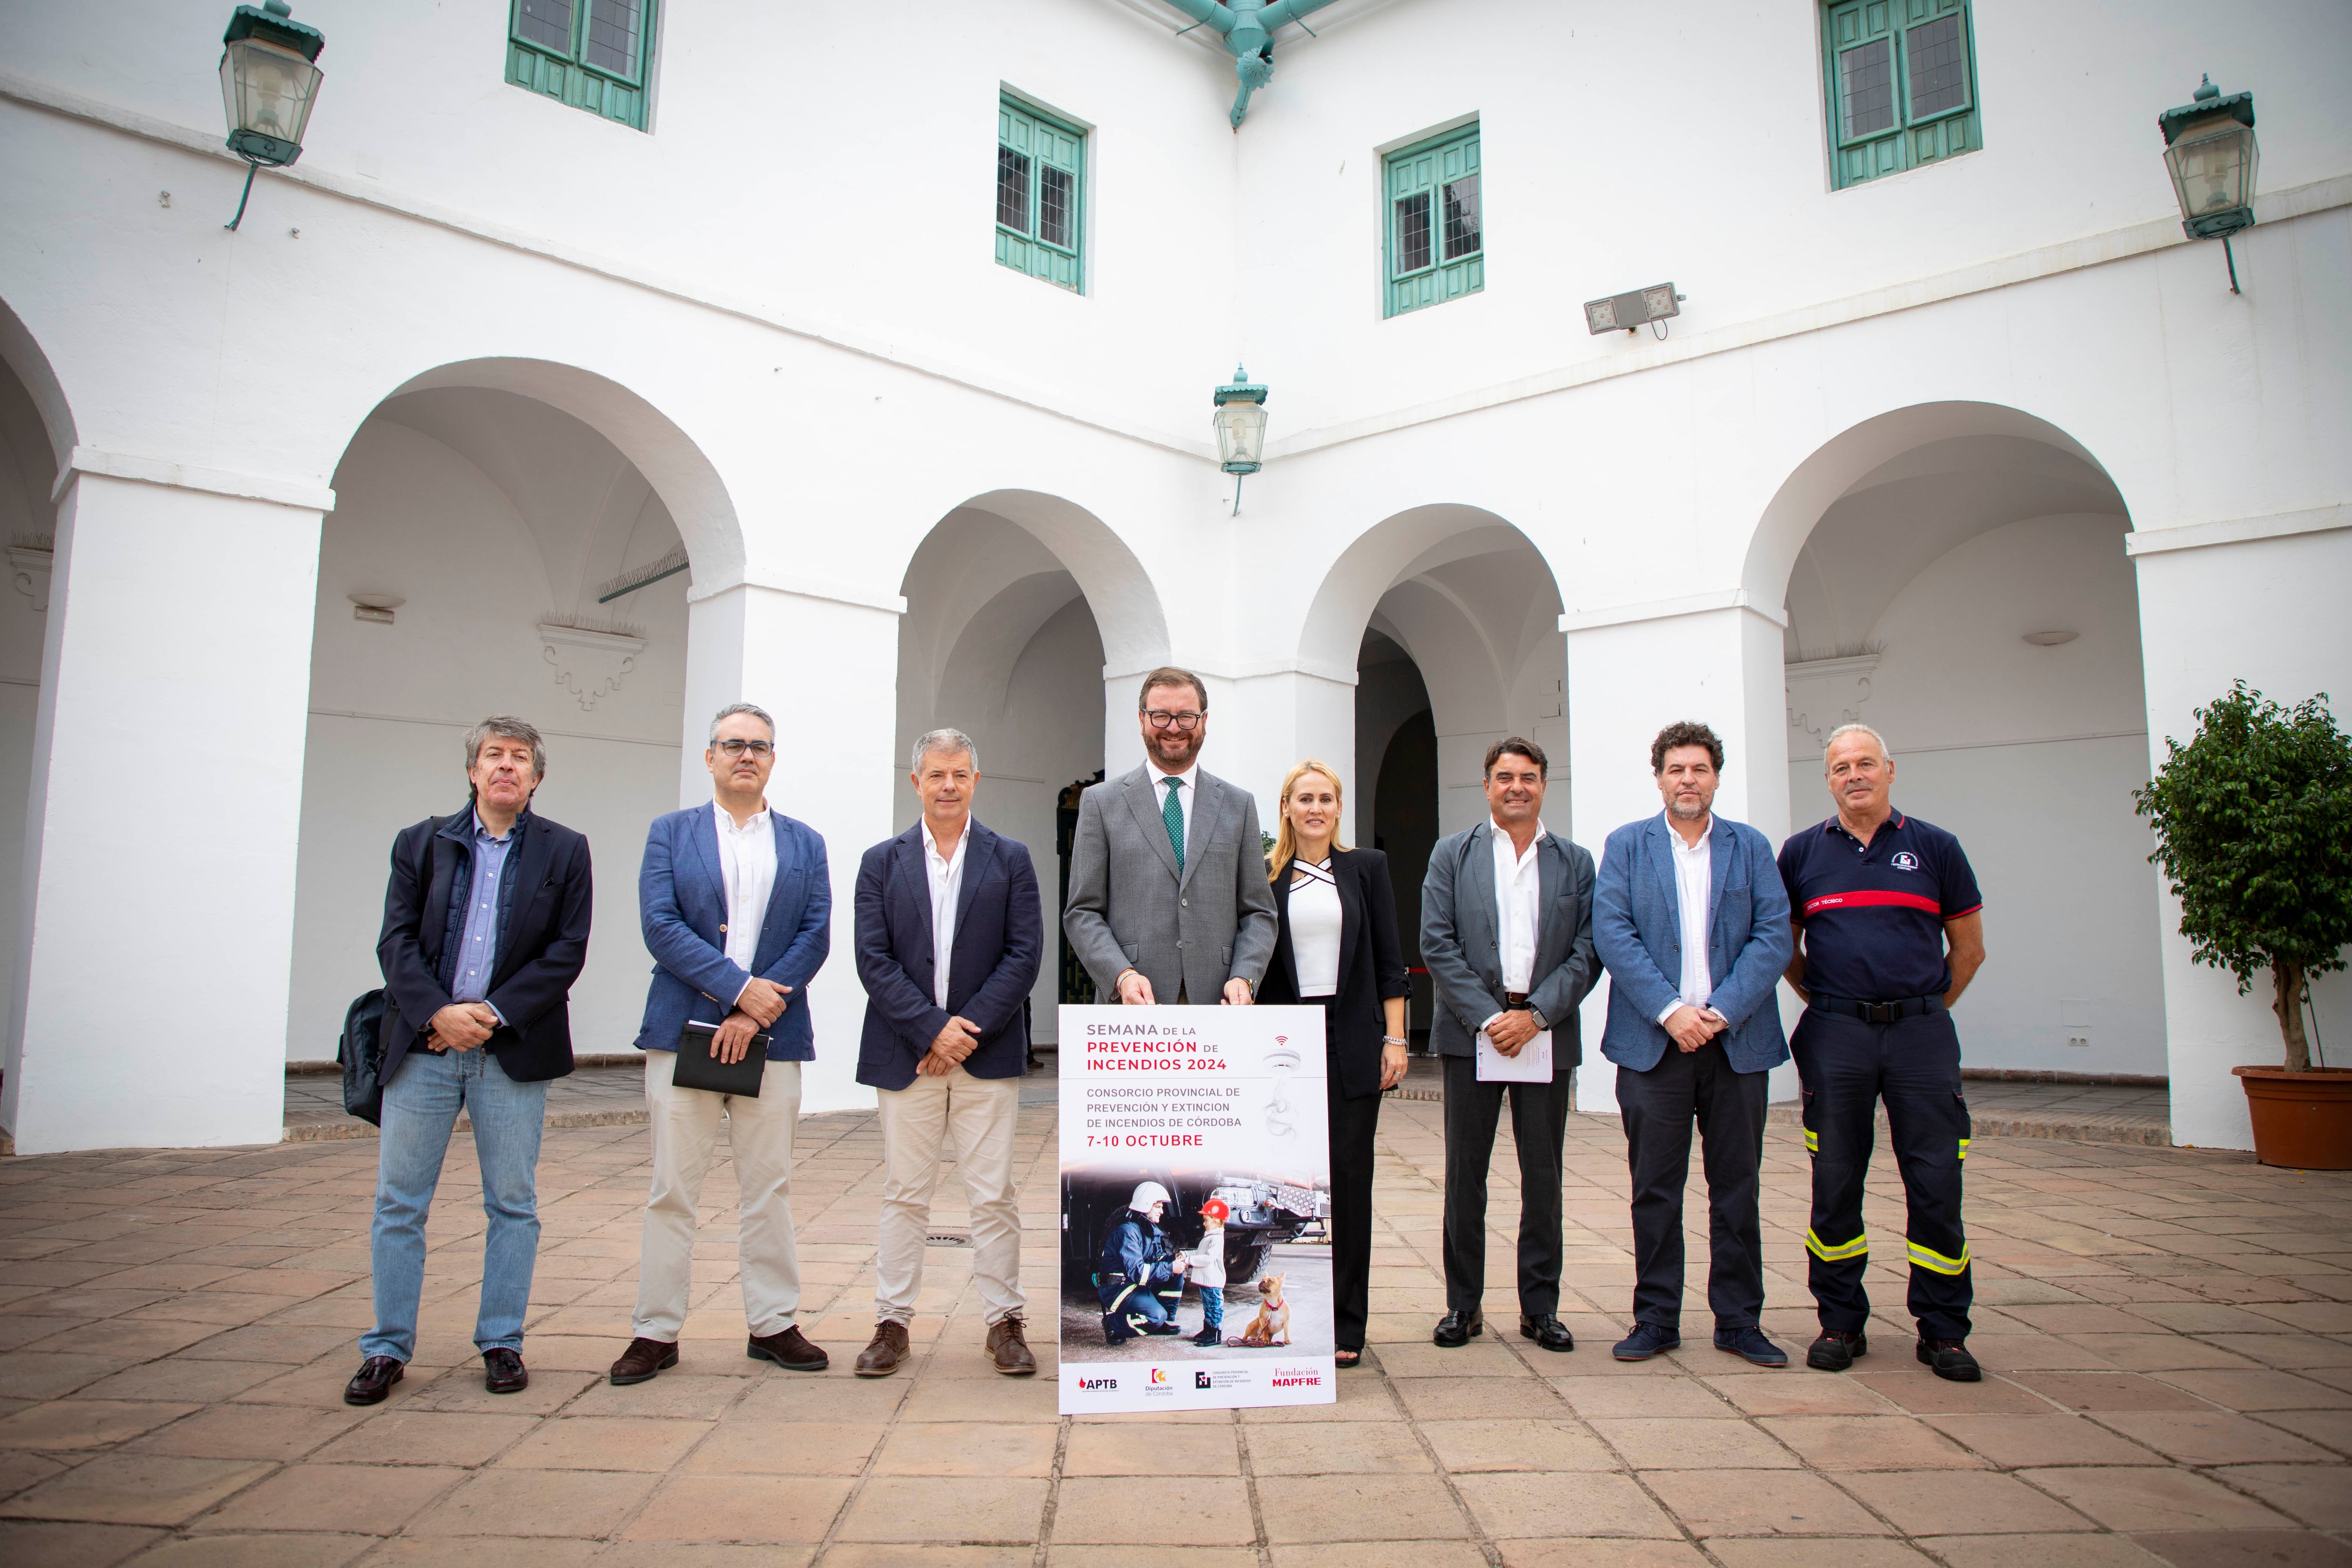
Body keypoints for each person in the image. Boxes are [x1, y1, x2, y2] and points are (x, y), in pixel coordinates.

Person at [348, 717, 593, 1406]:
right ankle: (387, 1347)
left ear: (536, 777)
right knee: (399, 1203)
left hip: (510, 1051)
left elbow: (566, 952)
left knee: (513, 1204)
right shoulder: (421, 843)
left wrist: (487, 1016)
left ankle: (502, 1341)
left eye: (520, 758)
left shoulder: (566, 850)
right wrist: (441, 1012)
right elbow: (395, 942)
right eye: (494, 756)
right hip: (425, 1048)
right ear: (472, 771)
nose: (506, 767)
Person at [609, 703, 832, 1386]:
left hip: (774, 1033)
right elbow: (661, 924)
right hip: (685, 1030)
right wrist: (737, 992)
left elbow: (815, 932)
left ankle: (773, 1323)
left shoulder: (803, 841)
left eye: (759, 746)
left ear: (772, 758)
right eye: (732, 744)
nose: (746, 755)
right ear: (709, 757)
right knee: (673, 1187)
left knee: (769, 1186)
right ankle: (655, 1330)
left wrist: (760, 1008)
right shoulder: (670, 834)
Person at [1780, 722, 1987, 1383]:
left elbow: (1970, 949)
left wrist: (1920, 1012)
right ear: (1829, 780)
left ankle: (1944, 1330)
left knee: (1935, 1182)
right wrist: (1833, 1003)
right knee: (1835, 1181)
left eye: (1866, 763)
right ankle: (1840, 1321)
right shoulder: (1801, 854)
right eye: (1841, 767)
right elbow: (1785, 949)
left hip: (1921, 1035)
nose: (1854, 775)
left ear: (1890, 770)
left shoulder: (1936, 848)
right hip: (1836, 1032)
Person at [1592, 721, 1794, 1367]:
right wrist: (1672, 1010)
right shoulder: (1627, 847)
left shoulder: (1750, 846)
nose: (1688, 779)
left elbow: (1773, 935)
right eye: (1677, 768)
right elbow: (1614, 932)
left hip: (1735, 1044)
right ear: (1659, 777)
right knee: (1655, 1186)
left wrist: (1722, 1011)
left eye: (1700, 768)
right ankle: (1655, 1316)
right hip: (1655, 1044)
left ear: (1715, 777)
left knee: (1737, 1186)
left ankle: (1739, 1319)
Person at [850, 728, 1044, 1378]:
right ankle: (892, 1322)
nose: (948, 786)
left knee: (993, 1193)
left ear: (976, 781)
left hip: (984, 1055)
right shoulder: (881, 861)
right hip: (907, 1054)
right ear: (916, 782)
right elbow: (872, 960)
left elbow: (1024, 954)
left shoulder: (1010, 857)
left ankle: (1005, 1321)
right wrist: (933, 1029)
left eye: (960, 774)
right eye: (936, 775)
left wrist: (966, 1030)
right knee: (905, 1192)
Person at [1421, 737, 1598, 1353]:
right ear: (1488, 784)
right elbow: (1436, 942)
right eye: (1505, 776)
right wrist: (1492, 1017)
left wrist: (1538, 1014)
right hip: (1475, 1036)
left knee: (1543, 1176)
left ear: (1544, 785)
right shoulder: (1453, 854)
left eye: (1528, 777)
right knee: (1464, 1176)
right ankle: (1462, 1305)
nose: (1516, 786)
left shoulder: (1575, 862)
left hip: (1545, 1032)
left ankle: (1540, 1308)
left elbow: (1588, 949)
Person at [1251, 760, 1410, 1368]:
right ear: (1286, 807)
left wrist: (1396, 1040)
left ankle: (1347, 1326)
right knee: (1284, 1180)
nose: (1315, 807)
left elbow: (1389, 958)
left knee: (1349, 1180)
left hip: (1352, 1037)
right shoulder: (1266, 877)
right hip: (1284, 1041)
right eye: (1303, 798)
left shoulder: (1367, 869)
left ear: (1339, 808)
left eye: (1325, 797)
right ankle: (1279, 1309)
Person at [1064, 666, 1278, 1008]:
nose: (1174, 728)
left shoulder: (1239, 806)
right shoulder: (1101, 803)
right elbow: (1082, 912)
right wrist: (1121, 975)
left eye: (1186, 717)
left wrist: (1245, 976)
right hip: (1132, 1006)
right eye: (1161, 716)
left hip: (1220, 1003)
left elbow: (1258, 912)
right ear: (1141, 719)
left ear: (1204, 720)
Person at [1097, 1181, 1188, 1342]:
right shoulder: (1127, 1232)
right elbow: (1137, 1272)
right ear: (1146, 1205)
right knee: (1155, 1316)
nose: (1162, 1211)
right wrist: (1169, 1268)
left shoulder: (1150, 1230)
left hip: (1134, 1284)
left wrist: (1173, 1260)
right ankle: (1114, 1323)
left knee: (1178, 1273)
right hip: (1118, 1288)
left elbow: (1156, 1260)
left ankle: (1161, 1324)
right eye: (1158, 1207)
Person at [1182, 1199, 1231, 1346]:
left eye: (1206, 1220)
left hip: (1213, 1282)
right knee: (1208, 1307)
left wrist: (1189, 1261)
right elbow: (1199, 1253)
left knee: (1215, 1307)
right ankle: (1208, 1330)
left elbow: (1208, 1258)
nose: (1204, 1223)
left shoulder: (1217, 1239)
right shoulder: (1209, 1236)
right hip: (1206, 1281)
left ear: (1216, 1221)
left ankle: (1215, 1334)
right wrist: (1185, 1255)